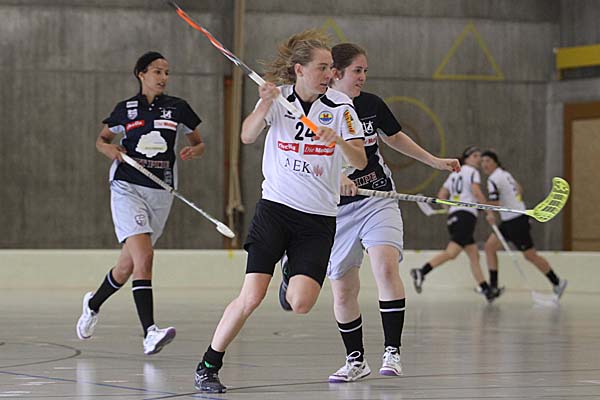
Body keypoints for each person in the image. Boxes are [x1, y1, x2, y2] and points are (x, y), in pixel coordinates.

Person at [193, 30, 367, 394]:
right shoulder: (280, 99)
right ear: (300, 70)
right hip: (275, 210)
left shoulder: (341, 107)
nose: (329, 74)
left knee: (300, 304)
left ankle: (289, 272)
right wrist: (263, 104)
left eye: (331, 68)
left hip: (318, 219)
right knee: (252, 296)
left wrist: (336, 140)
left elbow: (360, 159)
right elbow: (247, 136)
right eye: (322, 67)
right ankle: (208, 364)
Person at [322, 43, 460, 383]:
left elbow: (395, 138)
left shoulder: (371, 105)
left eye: (365, 71)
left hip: (378, 198)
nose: (363, 77)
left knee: (384, 266)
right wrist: (334, 178)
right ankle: (355, 360)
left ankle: (392, 351)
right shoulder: (318, 110)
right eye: (357, 71)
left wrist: (434, 162)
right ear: (336, 73)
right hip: (335, 212)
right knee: (343, 290)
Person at [76, 51, 205, 355]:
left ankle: (93, 304)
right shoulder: (126, 109)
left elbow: (198, 143)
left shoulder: (178, 108)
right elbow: (102, 140)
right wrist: (108, 150)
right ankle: (149, 332)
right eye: (157, 71)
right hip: (127, 187)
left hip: (161, 192)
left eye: (167, 72)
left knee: (126, 267)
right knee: (144, 258)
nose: (163, 77)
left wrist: (195, 151)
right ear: (141, 74)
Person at [410, 146, 498, 302]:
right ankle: (421, 271)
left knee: (474, 255)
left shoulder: (454, 174)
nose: (478, 159)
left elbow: (442, 195)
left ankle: (486, 290)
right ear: (467, 158)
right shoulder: (472, 171)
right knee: (452, 253)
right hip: (466, 217)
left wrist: (450, 210)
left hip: (455, 216)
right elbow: (476, 192)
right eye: (475, 156)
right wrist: (489, 211)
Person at [481, 150, 567, 299]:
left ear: (495, 162)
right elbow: (519, 189)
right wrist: (514, 203)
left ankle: (557, 282)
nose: (484, 164)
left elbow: (496, 202)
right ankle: (493, 288)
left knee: (530, 255)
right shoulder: (505, 174)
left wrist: (480, 205)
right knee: (490, 247)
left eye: (487, 160)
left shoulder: (493, 179)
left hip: (516, 221)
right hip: (511, 219)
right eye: (482, 162)